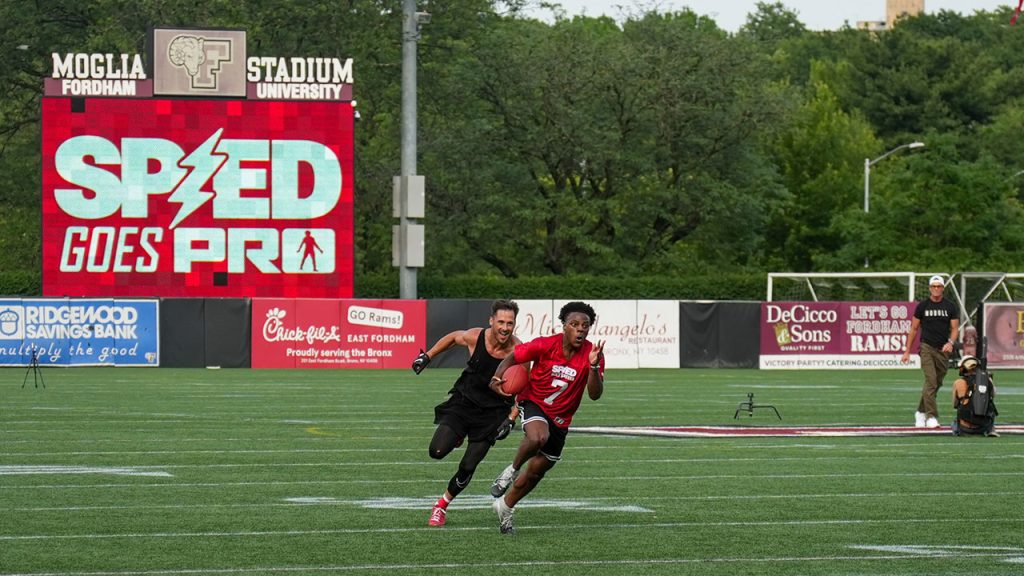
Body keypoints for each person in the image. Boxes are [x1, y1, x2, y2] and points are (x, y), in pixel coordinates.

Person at [488, 301, 605, 535]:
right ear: (564, 326)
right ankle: (510, 470)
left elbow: (594, 394)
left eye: (585, 325)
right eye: (574, 324)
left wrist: (593, 367)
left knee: (535, 473)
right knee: (537, 437)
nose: (580, 329)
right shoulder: (545, 344)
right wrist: (496, 377)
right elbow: (512, 358)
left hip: (562, 418)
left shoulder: (593, 353)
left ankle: (505, 507)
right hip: (535, 403)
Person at [411, 299, 522, 527]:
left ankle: (441, 505)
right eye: (500, 321)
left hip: (493, 413)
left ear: (514, 325)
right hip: (464, 402)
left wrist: (511, 419)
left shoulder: (518, 351)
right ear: (491, 321)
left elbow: (524, 388)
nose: (504, 327)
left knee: (468, 466)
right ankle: (459, 435)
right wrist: (428, 356)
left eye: (509, 323)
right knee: (437, 451)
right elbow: (453, 337)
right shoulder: (476, 337)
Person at [900, 275, 959, 428]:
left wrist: (950, 343)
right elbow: (913, 329)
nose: (936, 289)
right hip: (926, 347)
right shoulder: (922, 306)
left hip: (943, 350)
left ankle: (920, 411)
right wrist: (907, 351)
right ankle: (931, 416)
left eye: (939, 286)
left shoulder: (950, 306)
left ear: (943, 288)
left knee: (936, 383)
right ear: (929, 288)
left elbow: (954, 329)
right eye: (933, 286)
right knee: (931, 380)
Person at [951, 355, 999, 437]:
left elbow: (955, 404)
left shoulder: (958, 382)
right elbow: (993, 396)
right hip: (984, 427)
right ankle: (991, 429)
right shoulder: (987, 381)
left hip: (965, 427)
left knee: (954, 422)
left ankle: (957, 431)